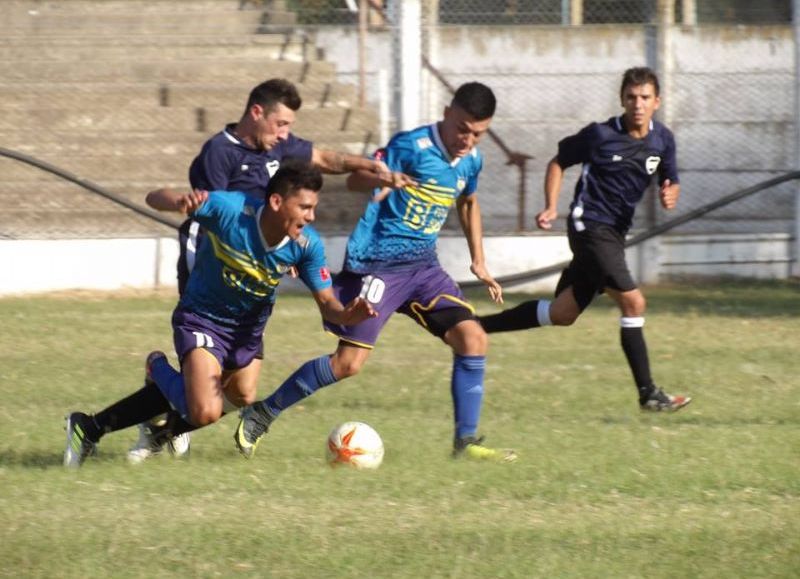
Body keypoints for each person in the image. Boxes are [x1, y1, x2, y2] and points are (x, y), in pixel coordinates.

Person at [233, 82, 518, 462]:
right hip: (378, 268)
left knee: (473, 339)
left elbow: (468, 202)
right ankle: (263, 412)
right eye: (462, 128)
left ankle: (465, 444)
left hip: (424, 268)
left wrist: (478, 260)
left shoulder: (471, 160)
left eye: (478, 133)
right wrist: (382, 178)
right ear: (447, 112)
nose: (468, 140)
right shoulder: (409, 146)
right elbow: (355, 180)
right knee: (347, 364)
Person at [131, 78, 407, 462]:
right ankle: (175, 404)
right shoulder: (219, 154)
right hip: (215, 261)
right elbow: (214, 219)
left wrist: (375, 168)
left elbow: (327, 160)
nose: (286, 134)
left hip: (265, 257)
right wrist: (266, 249)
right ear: (256, 113)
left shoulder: (283, 152)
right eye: (281, 124)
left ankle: (181, 412)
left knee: (239, 390)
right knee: (203, 360)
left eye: (290, 126)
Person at [63, 160, 377, 468]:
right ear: (277, 201)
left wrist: (350, 315)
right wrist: (180, 201)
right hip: (202, 319)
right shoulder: (231, 210)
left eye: (313, 208)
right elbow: (154, 198)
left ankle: (126, 430)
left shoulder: (307, 246)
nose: (311, 216)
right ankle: (156, 366)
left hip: (247, 331)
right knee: (205, 412)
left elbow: (327, 304)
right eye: (304, 207)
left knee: (242, 393)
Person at [478, 67, 691, 412]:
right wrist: (550, 206)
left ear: (657, 102)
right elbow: (558, 162)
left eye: (645, 98)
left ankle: (473, 328)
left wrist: (671, 193)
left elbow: (671, 177)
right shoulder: (600, 135)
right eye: (631, 97)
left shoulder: (663, 139)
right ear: (622, 100)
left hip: (614, 234)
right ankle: (648, 394)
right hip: (589, 227)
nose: (638, 104)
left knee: (562, 313)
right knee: (634, 303)